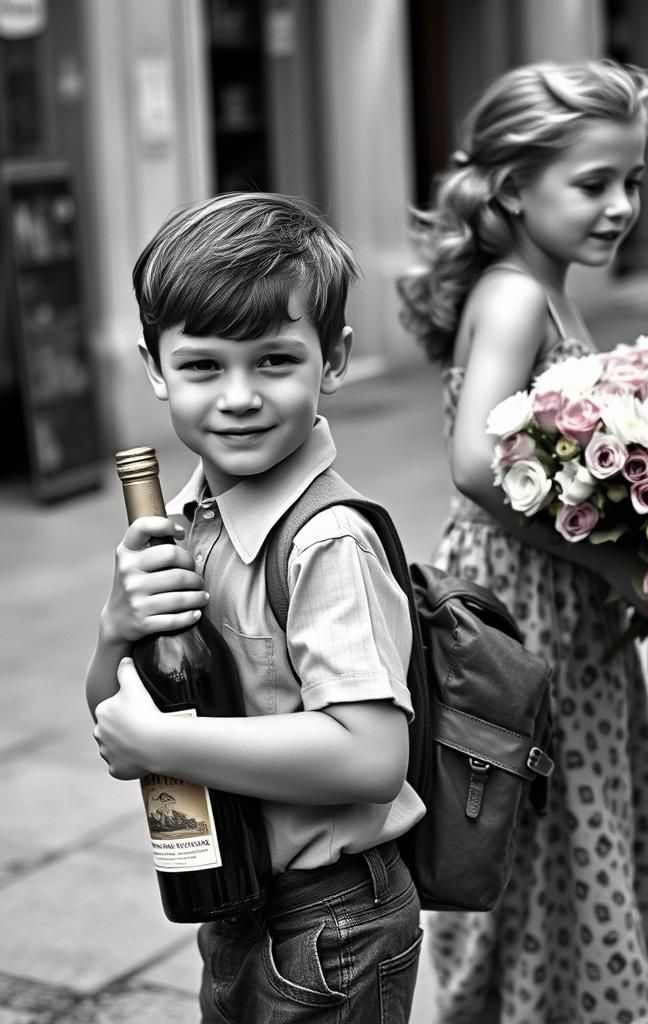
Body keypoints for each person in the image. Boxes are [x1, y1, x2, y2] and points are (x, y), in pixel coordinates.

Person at [85, 191, 425, 1023]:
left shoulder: (326, 541)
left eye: (274, 360)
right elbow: (117, 718)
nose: (238, 396)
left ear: (333, 360)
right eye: (203, 365)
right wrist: (113, 634)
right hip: (238, 902)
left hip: (333, 919)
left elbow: (373, 757)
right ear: (157, 367)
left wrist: (168, 742)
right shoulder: (185, 526)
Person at [397, 59, 648, 1024]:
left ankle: (552, 996)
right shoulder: (519, 295)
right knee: (539, 817)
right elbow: (476, 464)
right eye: (594, 182)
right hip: (529, 606)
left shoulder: (544, 286)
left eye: (633, 181)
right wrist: (614, 561)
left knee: (563, 817)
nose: (620, 206)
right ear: (516, 187)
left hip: (558, 597)